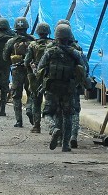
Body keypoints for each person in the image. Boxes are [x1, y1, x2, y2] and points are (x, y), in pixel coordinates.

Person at [35, 24, 86, 152]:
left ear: (56, 37)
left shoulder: (50, 52)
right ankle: (65, 145)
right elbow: (83, 69)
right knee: (68, 115)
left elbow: (40, 68)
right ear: (69, 37)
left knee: (48, 113)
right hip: (68, 88)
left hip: (52, 87)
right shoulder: (75, 53)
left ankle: (53, 129)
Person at [4, 18, 35, 128]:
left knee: (16, 95)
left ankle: (19, 121)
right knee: (31, 92)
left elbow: (5, 57)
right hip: (29, 71)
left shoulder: (11, 41)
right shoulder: (33, 41)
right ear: (26, 27)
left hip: (16, 71)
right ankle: (29, 109)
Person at [24, 22, 52, 133]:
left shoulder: (32, 45)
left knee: (36, 100)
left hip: (36, 76)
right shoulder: (52, 44)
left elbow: (26, 61)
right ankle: (52, 127)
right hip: (50, 76)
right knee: (50, 101)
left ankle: (36, 126)